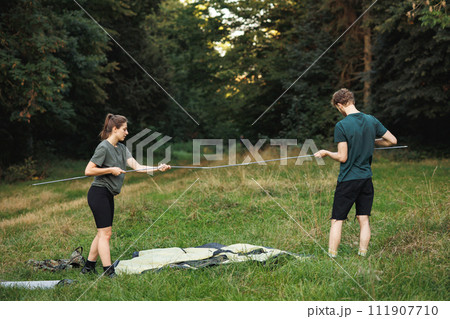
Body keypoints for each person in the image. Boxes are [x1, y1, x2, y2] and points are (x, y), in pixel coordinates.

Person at [81, 114, 171, 277]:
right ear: (114, 129)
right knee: (105, 234)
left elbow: (137, 167)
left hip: (108, 194)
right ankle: (108, 272)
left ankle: (88, 267)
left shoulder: (122, 148)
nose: (127, 132)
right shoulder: (104, 147)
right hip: (98, 193)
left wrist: (158, 168)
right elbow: (88, 170)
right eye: (124, 129)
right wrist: (110, 169)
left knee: (102, 233)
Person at [314, 89, 397, 257]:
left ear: (339, 105)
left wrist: (326, 153)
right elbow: (393, 140)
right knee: (363, 218)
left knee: (337, 220)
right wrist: (370, 140)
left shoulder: (342, 125)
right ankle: (362, 254)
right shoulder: (371, 120)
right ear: (351, 100)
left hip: (348, 180)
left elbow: (343, 157)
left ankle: (332, 256)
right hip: (366, 179)